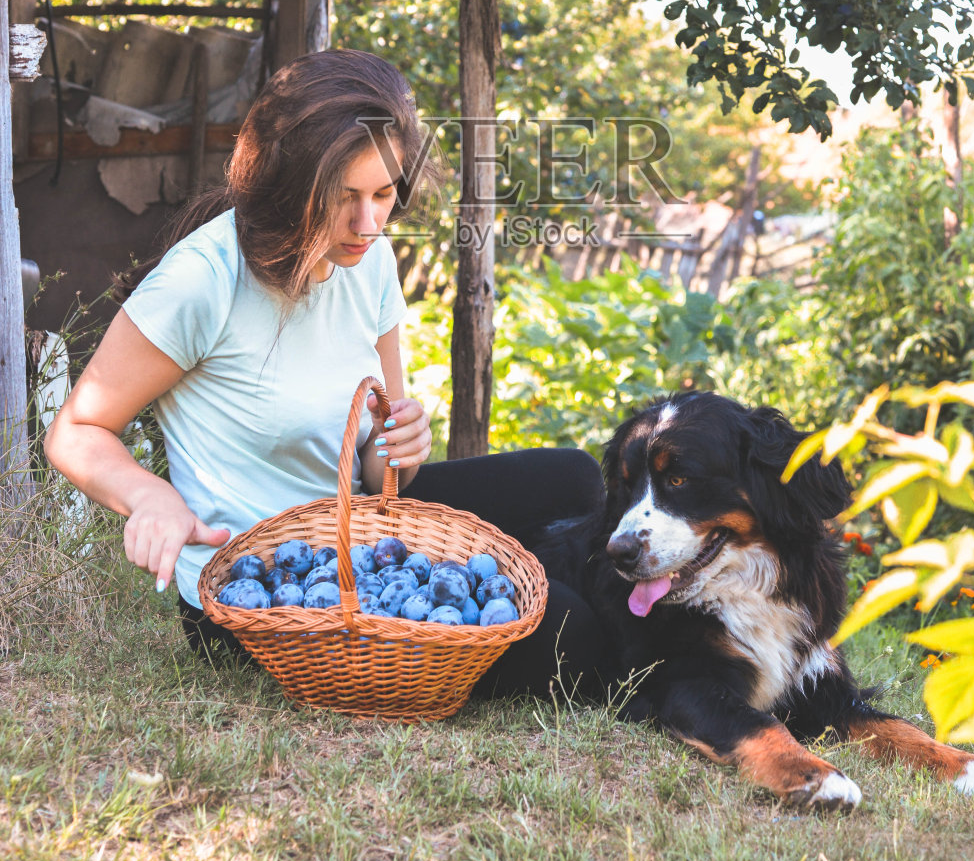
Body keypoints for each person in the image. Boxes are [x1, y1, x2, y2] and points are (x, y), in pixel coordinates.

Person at [45, 49, 606, 698]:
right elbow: (76, 430)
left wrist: (401, 444)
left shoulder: (369, 259)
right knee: (573, 633)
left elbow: (378, 474)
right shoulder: (200, 281)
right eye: (344, 198)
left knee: (574, 479)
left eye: (384, 194)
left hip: (360, 535)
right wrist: (151, 498)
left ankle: (576, 593)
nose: (369, 223)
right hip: (267, 588)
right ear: (289, 185)